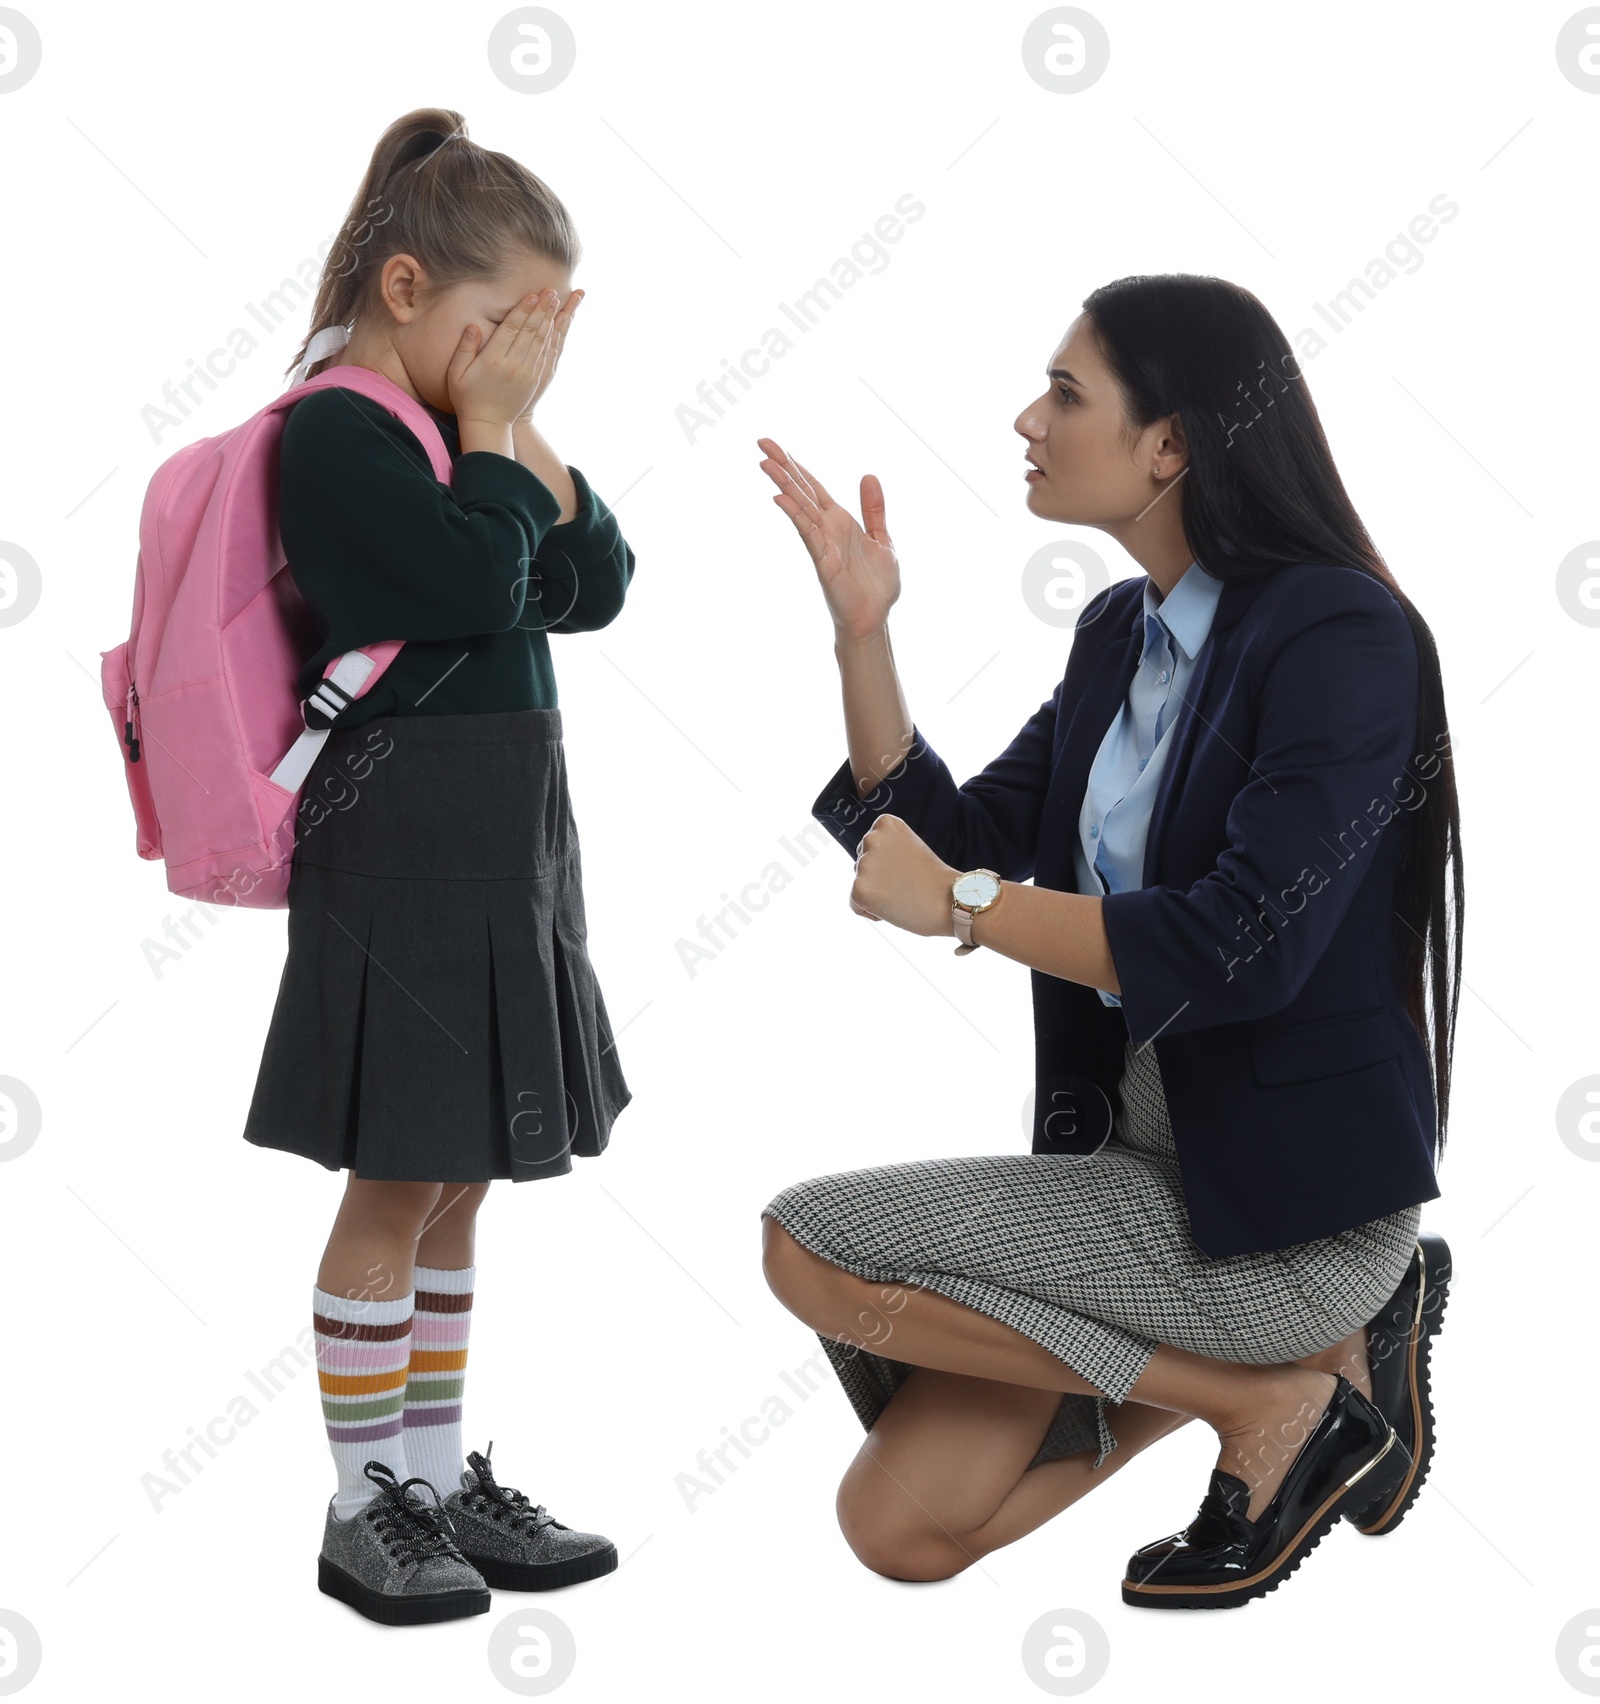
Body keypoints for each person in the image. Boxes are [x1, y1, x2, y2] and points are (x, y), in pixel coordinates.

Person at [756, 273, 1459, 1611]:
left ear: (1174, 443)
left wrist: (963, 909)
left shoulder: (1339, 632)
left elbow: (1240, 945)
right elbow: (962, 843)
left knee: (811, 1245)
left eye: (1067, 393)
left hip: (1281, 1212)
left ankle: (1284, 1390)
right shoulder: (1117, 637)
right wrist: (865, 637)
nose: (1029, 419)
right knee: (898, 1528)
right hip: (1135, 1172)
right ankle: (1287, 1394)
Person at [242, 108, 634, 1626]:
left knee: (465, 1170)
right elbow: (477, 580)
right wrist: (489, 442)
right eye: (496, 330)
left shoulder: (459, 435)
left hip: (506, 830)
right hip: (405, 841)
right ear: (405, 291)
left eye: (534, 339)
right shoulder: (338, 429)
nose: (512, 360)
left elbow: (590, 586)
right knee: (400, 1167)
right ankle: (364, 1510)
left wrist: (519, 424)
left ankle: (434, 1471)